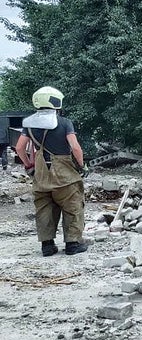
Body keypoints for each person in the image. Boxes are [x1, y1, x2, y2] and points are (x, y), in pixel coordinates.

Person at [15, 86, 87, 256]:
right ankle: (72, 244)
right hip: (65, 175)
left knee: (44, 209)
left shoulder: (29, 124)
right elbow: (75, 148)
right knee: (72, 206)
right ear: (56, 102)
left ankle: (47, 246)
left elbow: (19, 148)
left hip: (41, 174)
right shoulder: (65, 122)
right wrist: (82, 166)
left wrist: (29, 166)